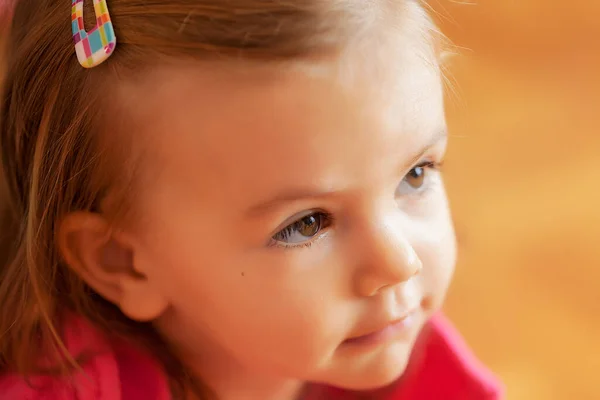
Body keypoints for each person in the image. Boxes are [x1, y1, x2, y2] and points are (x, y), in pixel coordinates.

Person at [0, 0, 502, 399]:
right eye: (307, 223)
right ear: (125, 263)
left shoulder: (409, 358)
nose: (399, 263)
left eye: (415, 174)